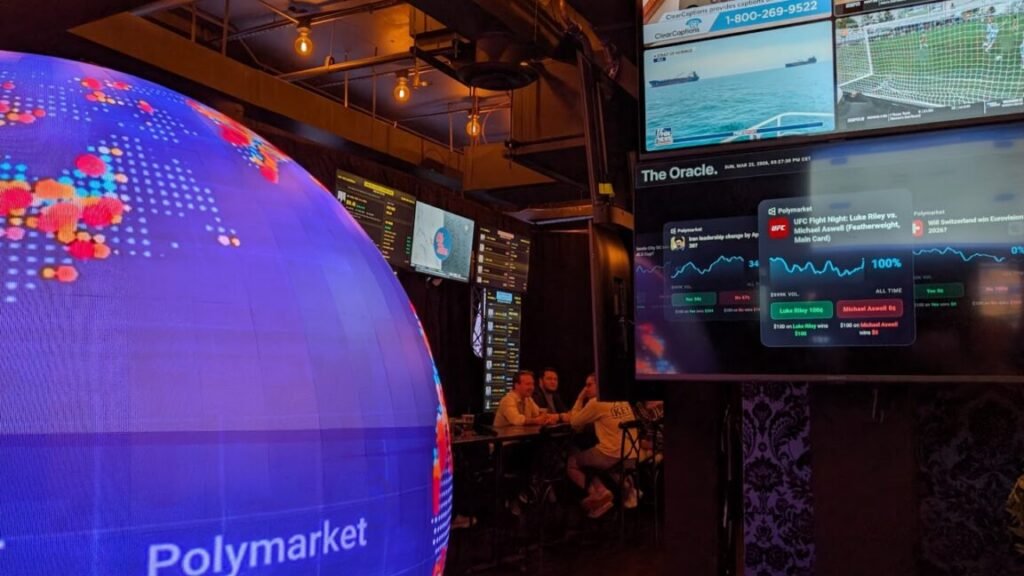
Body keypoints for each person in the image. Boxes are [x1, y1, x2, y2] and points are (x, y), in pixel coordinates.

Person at [566, 374, 639, 518]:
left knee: (572, 462)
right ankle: (628, 490)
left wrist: (580, 399)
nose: (585, 389)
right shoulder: (622, 400)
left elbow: (574, 422)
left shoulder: (596, 402)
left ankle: (599, 494)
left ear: (599, 385)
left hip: (613, 457)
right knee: (592, 457)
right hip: (631, 457)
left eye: (589, 385)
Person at [494, 370, 559, 427]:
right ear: (516, 385)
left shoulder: (528, 399)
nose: (532, 387)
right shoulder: (507, 400)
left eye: (532, 384)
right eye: (528, 384)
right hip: (505, 437)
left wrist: (547, 419)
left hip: (520, 436)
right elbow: (517, 420)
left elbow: (538, 413)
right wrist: (536, 421)